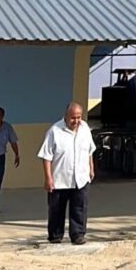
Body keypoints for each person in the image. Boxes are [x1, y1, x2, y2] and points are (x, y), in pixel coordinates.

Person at [38, 101, 95, 244]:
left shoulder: (85, 128)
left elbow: (89, 150)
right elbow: (46, 156)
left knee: (79, 209)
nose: (76, 121)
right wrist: (48, 178)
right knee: (56, 210)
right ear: (65, 116)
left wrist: (91, 168)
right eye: (73, 118)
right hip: (59, 179)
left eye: (78, 117)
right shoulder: (54, 131)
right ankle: (56, 236)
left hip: (80, 178)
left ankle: (78, 235)